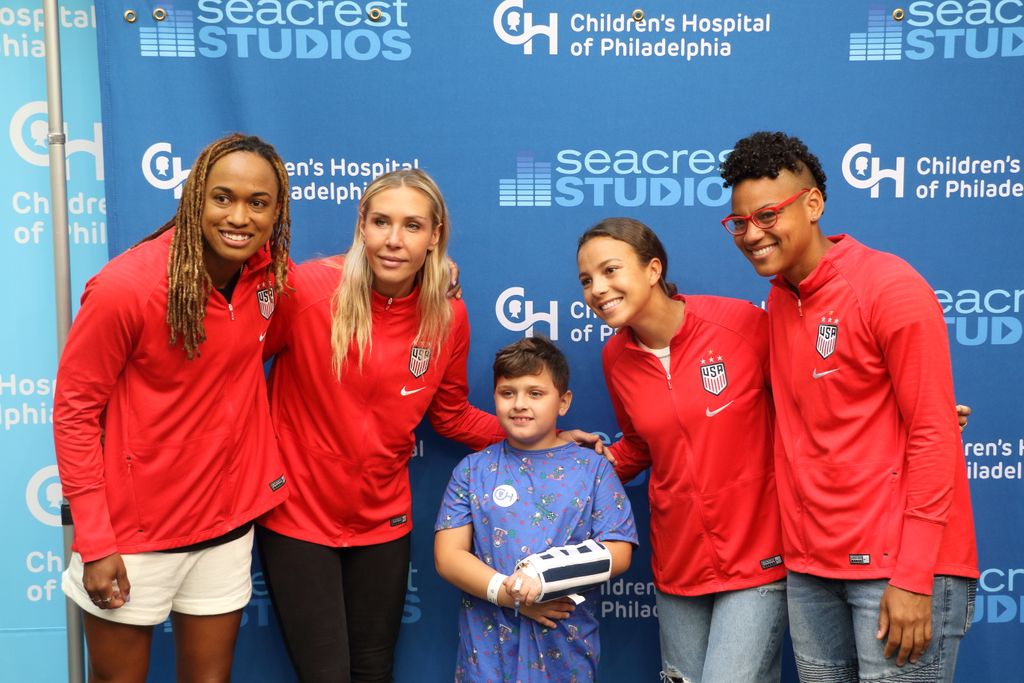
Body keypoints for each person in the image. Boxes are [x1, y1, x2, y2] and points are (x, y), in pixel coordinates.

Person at [257, 169, 601, 682]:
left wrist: (544, 440)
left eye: (413, 226)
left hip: (382, 520)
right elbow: (231, 365)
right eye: (381, 222)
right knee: (325, 674)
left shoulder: (447, 313)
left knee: (375, 669)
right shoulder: (307, 291)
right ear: (362, 225)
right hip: (298, 516)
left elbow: (449, 414)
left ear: (435, 235)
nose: (394, 240)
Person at [719, 131, 978, 682]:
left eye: (767, 215)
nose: (751, 234)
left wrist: (912, 576)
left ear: (812, 204)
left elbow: (933, 431)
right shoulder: (781, 300)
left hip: (898, 568)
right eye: (738, 222)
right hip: (812, 569)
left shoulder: (888, 286)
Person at [53, 133, 293, 682]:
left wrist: (427, 275)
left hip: (226, 527)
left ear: (277, 212)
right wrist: (93, 539)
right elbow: (73, 411)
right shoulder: (125, 287)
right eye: (222, 197)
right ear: (192, 200)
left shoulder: (268, 277)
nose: (239, 216)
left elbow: (330, 297)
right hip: (133, 537)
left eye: (258, 203)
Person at [577, 218, 786, 683]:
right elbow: (638, 446)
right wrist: (576, 464)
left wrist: (897, 414)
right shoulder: (616, 358)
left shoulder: (741, 325)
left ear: (653, 269)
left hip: (758, 553)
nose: (597, 289)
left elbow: (811, 398)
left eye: (611, 271)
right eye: (587, 280)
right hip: (679, 562)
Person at [434, 336, 637, 683]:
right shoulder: (472, 470)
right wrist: (511, 594)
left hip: (565, 650)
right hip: (487, 653)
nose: (519, 404)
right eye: (507, 392)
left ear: (563, 401)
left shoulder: (594, 470)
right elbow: (448, 556)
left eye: (535, 393)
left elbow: (618, 551)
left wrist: (543, 577)